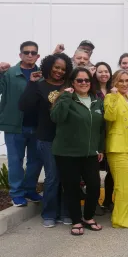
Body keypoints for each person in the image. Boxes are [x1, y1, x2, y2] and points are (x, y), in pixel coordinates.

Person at [19, 53, 73, 227]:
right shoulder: (39, 85)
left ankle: (65, 212)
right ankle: (49, 213)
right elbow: (24, 106)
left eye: (63, 69)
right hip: (46, 138)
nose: (59, 71)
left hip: (67, 138)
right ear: (49, 66)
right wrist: (31, 83)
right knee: (52, 176)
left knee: (67, 176)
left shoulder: (69, 85)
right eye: (56, 67)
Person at [50, 67, 104, 236]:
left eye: (86, 80)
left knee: (94, 186)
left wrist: (100, 148)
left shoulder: (96, 101)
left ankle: (88, 217)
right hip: (67, 153)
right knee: (71, 187)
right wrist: (66, 96)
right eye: (79, 80)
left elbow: (101, 128)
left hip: (90, 153)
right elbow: (56, 117)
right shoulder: (65, 98)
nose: (83, 83)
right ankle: (76, 220)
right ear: (72, 82)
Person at [0, 41, 43, 207]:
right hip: (14, 125)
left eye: (33, 52)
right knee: (15, 161)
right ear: (20, 55)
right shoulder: (10, 73)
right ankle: (17, 193)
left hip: (37, 126)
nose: (30, 55)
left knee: (35, 161)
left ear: (38, 56)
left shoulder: (42, 74)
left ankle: (30, 190)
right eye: (26, 52)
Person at [104, 69, 128, 228]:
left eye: (127, 80)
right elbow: (109, 116)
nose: (124, 84)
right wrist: (114, 96)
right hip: (118, 147)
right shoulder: (110, 97)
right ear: (115, 82)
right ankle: (120, 220)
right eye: (121, 80)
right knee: (123, 186)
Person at [92, 61, 114, 211]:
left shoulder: (114, 90)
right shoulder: (91, 90)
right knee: (93, 171)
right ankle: (94, 202)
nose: (104, 74)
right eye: (100, 71)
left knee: (111, 170)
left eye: (106, 71)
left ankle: (107, 200)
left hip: (111, 134)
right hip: (96, 134)